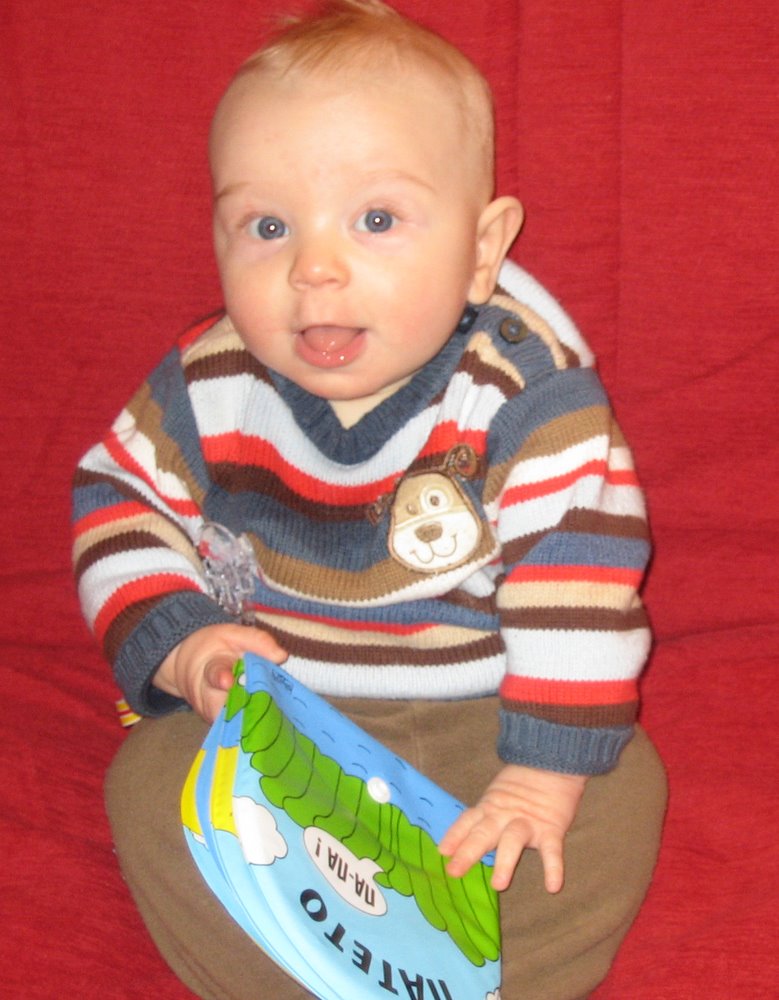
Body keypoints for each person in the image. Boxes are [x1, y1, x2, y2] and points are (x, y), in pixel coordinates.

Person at [72, 1, 666, 996]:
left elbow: (577, 589)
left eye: (376, 220)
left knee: (609, 793)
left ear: (481, 249)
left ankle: (498, 980)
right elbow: (116, 501)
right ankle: (289, 976)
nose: (313, 267)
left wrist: (536, 777)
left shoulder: (526, 395)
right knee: (148, 787)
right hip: (282, 714)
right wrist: (183, 643)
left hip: (488, 712)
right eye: (267, 227)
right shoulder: (208, 382)